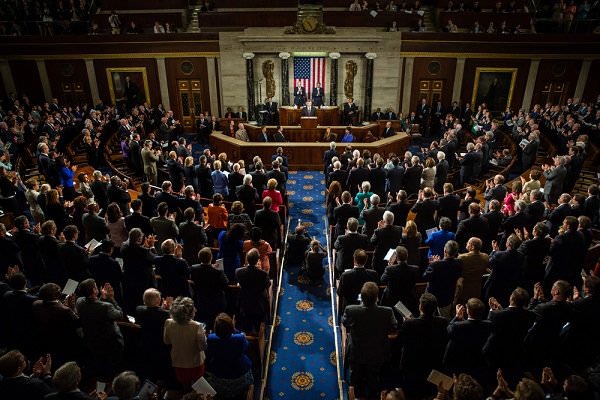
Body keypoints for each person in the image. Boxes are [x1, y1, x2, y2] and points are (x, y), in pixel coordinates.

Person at [342, 282, 397, 399]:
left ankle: (354, 388)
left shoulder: (351, 310)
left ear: (361, 297)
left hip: (357, 352)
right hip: (377, 353)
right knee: (373, 376)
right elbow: (393, 327)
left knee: (355, 374)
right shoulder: (387, 311)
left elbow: (345, 323)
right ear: (377, 298)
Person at [399, 293, 449, 398]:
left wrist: (407, 323)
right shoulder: (443, 322)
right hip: (434, 364)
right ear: (435, 308)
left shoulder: (409, 324)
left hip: (413, 366)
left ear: (420, 307)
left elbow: (401, 340)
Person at [76, 278, 124, 378]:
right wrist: (111, 298)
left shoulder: (79, 301)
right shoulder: (106, 306)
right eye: (96, 286)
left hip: (91, 338)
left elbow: (94, 308)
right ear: (94, 290)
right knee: (112, 364)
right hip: (110, 340)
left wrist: (102, 298)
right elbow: (119, 315)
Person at [483, 287, 535, 374]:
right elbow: (513, 318)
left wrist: (492, 310)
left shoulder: (497, 315)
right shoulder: (530, 315)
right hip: (516, 352)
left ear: (511, 298)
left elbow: (489, 326)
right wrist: (501, 310)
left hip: (497, 353)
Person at [204, 313, 254, 398]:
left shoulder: (211, 338)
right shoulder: (240, 338)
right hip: (240, 376)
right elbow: (245, 348)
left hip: (220, 378)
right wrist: (239, 333)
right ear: (231, 327)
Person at [164, 296, 207, 391]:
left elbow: (167, 341)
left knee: (185, 387)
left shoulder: (168, 322)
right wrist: (203, 335)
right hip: (195, 363)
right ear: (190, 312)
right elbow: (202, 347)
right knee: (199, 389)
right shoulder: (197, 326)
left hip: (178, 361)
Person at [443, 298, 492, 379]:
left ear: (468, 311)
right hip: (480, 363)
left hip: (462, 364)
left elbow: (448, 331)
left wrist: (456, 317)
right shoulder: (489, 325)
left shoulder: (457, 326)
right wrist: (463, 321)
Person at [190, 247, 229, 328]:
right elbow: (226, 283)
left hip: (200, 300)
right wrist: (220, 270)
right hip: (216, 303)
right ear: (211, 257)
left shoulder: (194, 268)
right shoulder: (218, 272)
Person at [423, 240, 462, 319]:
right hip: (447, 297)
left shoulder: (435, 265)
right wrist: (437, 263)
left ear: (444, 250)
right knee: (445, 319)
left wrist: (432, 264)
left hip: (433, 297)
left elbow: (425, 277)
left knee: (429, 317)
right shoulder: (459, 263)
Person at [235, 248, 271, 333]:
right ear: (258, 260)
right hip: (259, 303)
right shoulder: (263, 274)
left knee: (246, 326)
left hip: (245, 302)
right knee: (258, 325)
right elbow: (268, 285)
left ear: (247, 259)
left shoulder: (238, 272)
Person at [337, 250, 379, 317]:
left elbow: (339, 293)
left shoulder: (345, 275)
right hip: (368, 306)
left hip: (350, 307)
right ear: (365, 261)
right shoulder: (373, 274)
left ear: (354, 260)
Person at [380, 246, 419, 314]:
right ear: (407, 256)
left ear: (396, 258)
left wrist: (389, 266)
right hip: (408, 301)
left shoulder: (390, 269)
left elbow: (382, 280)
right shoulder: (415, 269)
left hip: (392, 302)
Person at [371, 211, 403, 275]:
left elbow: (372, 242)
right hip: (393, 258)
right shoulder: (399, 229)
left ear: (384, 220)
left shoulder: (378, 231)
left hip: (379, 259)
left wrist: (378, 228)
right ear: (393, 220)